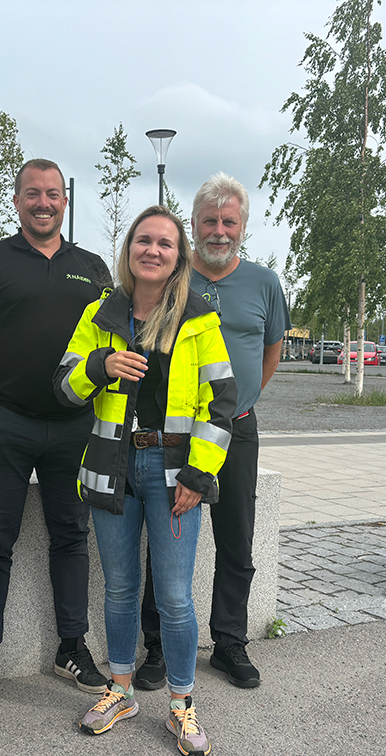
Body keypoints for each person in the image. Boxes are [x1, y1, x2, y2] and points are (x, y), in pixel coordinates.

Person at [54, 205, 236, 756]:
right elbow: (62, 386)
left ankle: (181, 702)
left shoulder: (199, 318)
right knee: (120, 588)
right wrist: (99, 366)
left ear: (179, 257)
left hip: (175, 471)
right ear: (129, 250)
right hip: (112, 465)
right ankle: (121, 688)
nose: (152, 250)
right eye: (143, 241)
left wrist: (200, 474)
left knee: (175, 597)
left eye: (165, 243)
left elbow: (222, 403)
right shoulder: (101, 313)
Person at [0, 159, 113, 711]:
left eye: (53, 194)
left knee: (71, 537)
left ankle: (72, 645)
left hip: (76, 428)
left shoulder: (92, 267)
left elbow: (114, 345)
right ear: (16, 199)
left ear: (65, 200)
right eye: (32, 194)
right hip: (7, 425)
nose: (43, 203)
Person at [135, 173, 290, 692]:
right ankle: (157, 648)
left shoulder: (265, 284)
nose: (219, 231)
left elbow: (271, 350)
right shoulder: (173, 281)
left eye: (229, 221)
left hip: (236, 431)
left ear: (243, 226)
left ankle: (229, 643)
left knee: (236, 540)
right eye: (209, 221)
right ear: (194, 225)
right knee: (166, 538)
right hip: (176, 437)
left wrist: (242, 401)